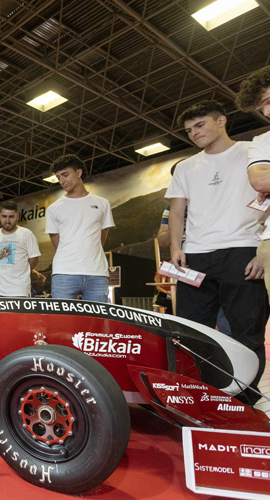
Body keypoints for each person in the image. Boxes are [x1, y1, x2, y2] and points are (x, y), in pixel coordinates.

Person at [166, 99, 268, 405]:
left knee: (247, 333)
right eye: (189, 130)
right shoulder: (185, 167)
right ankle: (199, 397)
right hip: (195, 257)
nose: (194, 133)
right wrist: (176, 247)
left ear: (221, 121)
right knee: (190, 333)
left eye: (200, 125)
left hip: (243, 251)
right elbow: (176, 210)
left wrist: (262, 252)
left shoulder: (252, 151)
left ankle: (245, 400)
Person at [157, 160, 231, 335]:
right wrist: (179, 225)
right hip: (190, 267)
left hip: (224, 260)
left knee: (228, 320)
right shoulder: (172, 208)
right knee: (194, 324)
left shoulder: (218, 197)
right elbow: (162, 240)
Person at [45, 154, 114, 302]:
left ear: (78, 172)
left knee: (97, 317)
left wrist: (90, 252)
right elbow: (56, 243)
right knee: (61, 317)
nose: (62, 181)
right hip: (64, 273)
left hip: (97, 273)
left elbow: (102, 237)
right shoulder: (53, 209)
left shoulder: (102, 203)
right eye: (58, 177)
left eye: (65, 175)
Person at [235, 66, 270, 306]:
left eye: (268, 101)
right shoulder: (262, 141)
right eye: (261, 108)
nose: (266, 112)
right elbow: (259, 180)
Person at [0, 200, 41, 297]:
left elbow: (34, 259)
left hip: (20, 290)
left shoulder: (26, 234)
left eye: (11, 217)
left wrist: (22, 272)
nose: (7, 221)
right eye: (4, 216)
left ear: (17, 216)